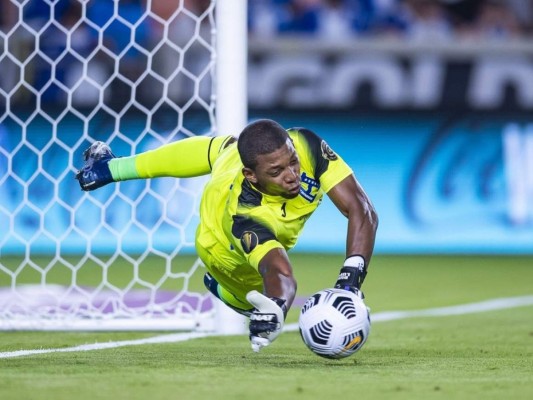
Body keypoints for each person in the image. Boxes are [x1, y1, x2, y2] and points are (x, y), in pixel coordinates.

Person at [75, 119, 378, 352]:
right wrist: (276, 307)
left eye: (293, 161)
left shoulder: (305, 144)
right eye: (276, 172)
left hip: (228, 161)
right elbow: (279, 271)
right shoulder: (245, 217)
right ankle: (225, 290)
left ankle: (109, 168)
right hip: (220, 248)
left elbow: (362, 209)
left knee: (223, 147)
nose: (291, 175)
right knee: (255, 297)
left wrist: (349, 282)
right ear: (252, 176)